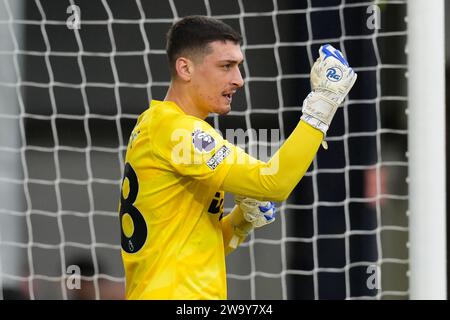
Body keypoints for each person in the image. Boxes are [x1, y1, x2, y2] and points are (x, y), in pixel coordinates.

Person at [118, 15, 357, 300]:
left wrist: (242, 219)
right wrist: (323, 103)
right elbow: (273, 183)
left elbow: (200, 247)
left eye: (238, 67)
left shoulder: (156, 122)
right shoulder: (178, 130)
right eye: (226, 66)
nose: (238, 80)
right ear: (185, 68)